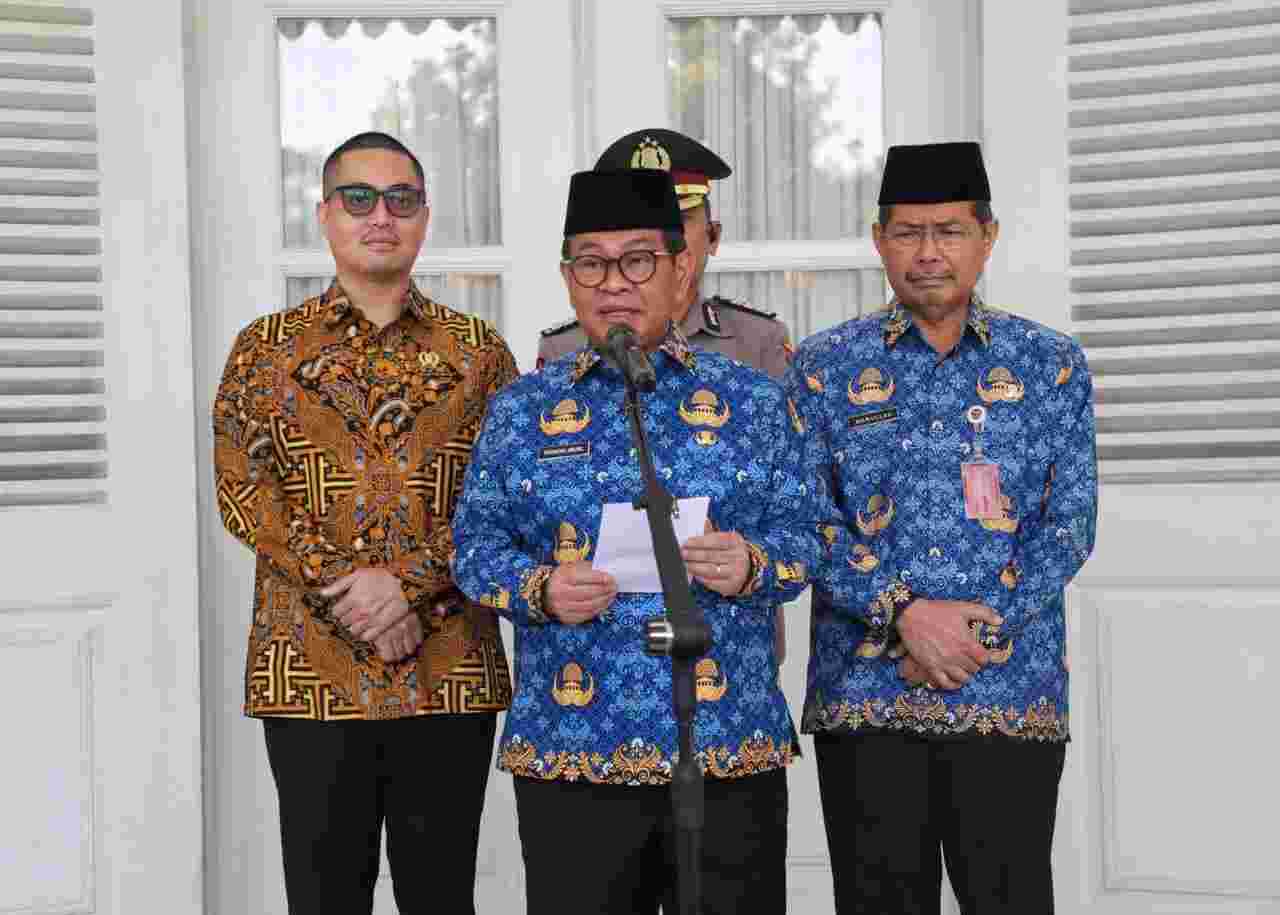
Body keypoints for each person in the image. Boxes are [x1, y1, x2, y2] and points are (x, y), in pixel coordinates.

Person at [452, 167, 823, 914]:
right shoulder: (523, 409)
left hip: (724, 743)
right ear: (568, 277)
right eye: (591, 263)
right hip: (573, 747)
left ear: (681, 268)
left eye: (638, 260)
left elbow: (809, 536)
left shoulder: (753, 400)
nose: (614, 282)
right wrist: (539, 589)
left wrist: (751, 564)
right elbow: (474, 547)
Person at [784, 141, 1098, 914]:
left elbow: (1069, 523)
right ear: (879, 240)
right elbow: (806, 519)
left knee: (1011, 898)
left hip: (1008, 689)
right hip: (866, 696)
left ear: (987, 237)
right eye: (908, 232)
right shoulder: (823, 367)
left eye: (950, 231)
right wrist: (906, 614)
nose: (928, 252)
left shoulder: (1051, 365)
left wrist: (970, 633)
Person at [212, 131, 515, 915]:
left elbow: (505, 498)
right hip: (311, 672)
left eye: (400, 199)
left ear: (424, 217)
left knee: (441, 897)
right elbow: (243, 488)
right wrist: (355, 591)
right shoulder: (264, 351)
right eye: (358, 198)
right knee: (323, 898)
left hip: (446, 671)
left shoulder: (479, 352)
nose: (381, 215)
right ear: (325, 215)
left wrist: (406, 586)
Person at [537, 127, 794, 668]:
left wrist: (750, 560)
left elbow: (801, 514)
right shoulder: (560, 354)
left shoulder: (757, 345)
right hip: (592, 663)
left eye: (678, 222)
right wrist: (543, 586)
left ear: (709, 238)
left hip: (724, 658)